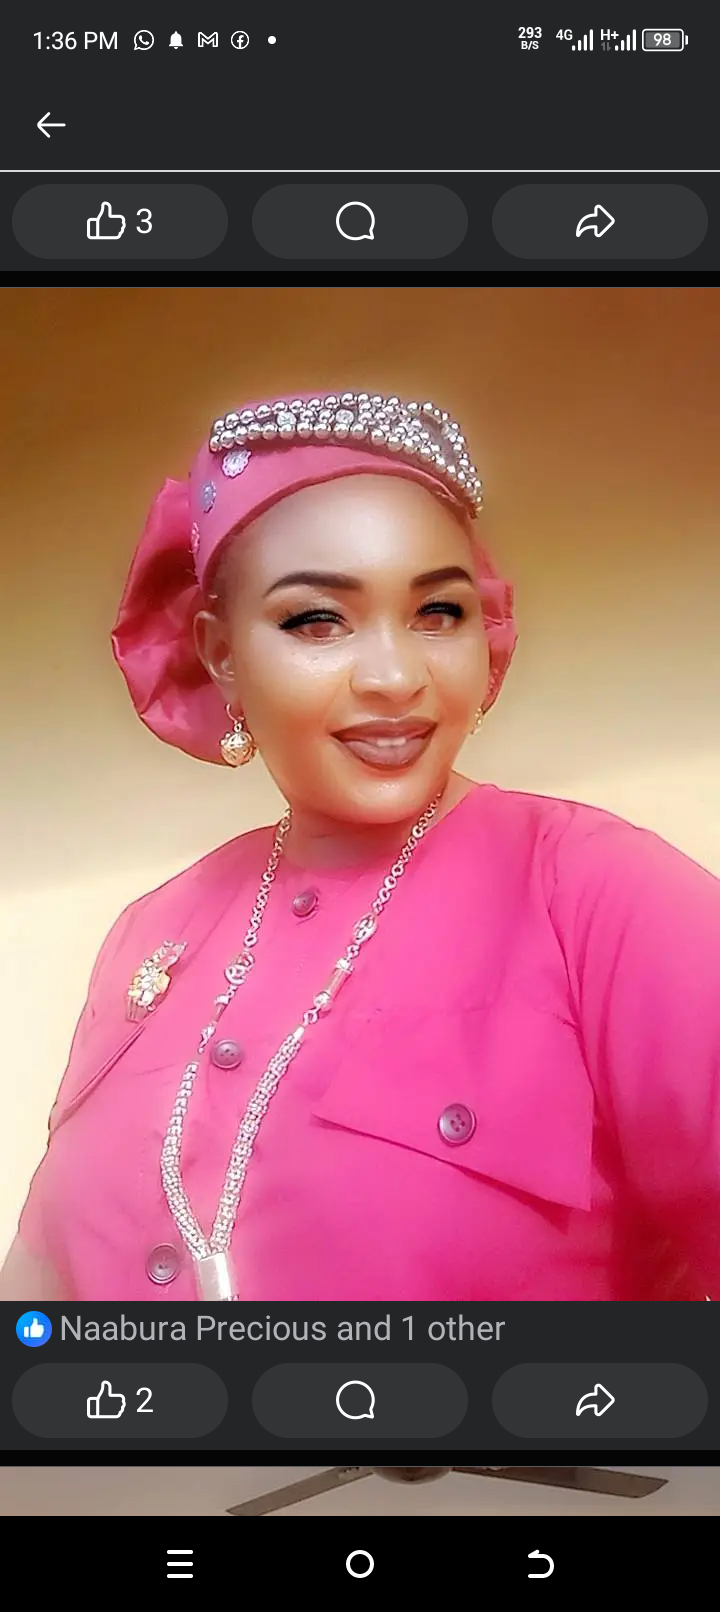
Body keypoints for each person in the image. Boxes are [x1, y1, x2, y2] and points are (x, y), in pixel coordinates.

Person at [2, 387, 719, 1302]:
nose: (393, 676)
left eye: (439, 613)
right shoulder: (147, 936)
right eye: (318, 620)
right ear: (220, 653)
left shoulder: (600, 898)